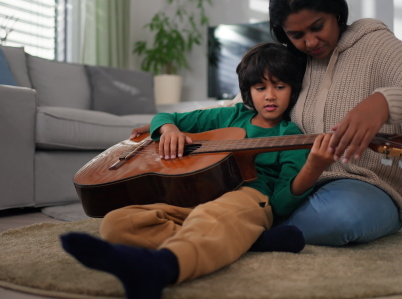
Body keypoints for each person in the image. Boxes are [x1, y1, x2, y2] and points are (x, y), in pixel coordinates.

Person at [130, 0, 402, 247]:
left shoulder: (376, 45)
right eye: (296, 34)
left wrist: (384, 103)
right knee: (244, 200)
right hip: (284, 187)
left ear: (336, 11)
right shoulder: (291, 61)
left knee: (341, 218)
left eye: (317, 27)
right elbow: (241, 107)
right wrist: (168, 125)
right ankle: (235, 229)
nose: (310, 42)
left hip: (360, 186)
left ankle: (225, 231)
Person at [60, 42, 336, 299]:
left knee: (214, 215)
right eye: (260, 88)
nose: (270, 95)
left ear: (293, 89)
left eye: (280, 86)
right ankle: (247, 240)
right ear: (248, 91)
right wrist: (168, 131)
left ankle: (164, 266)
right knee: (119, 222)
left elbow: (281, 204)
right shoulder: (231, 115)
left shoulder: (290, 135)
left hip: (249, 197)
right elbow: (166, 117)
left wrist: (313, 166)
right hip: (200, 198)